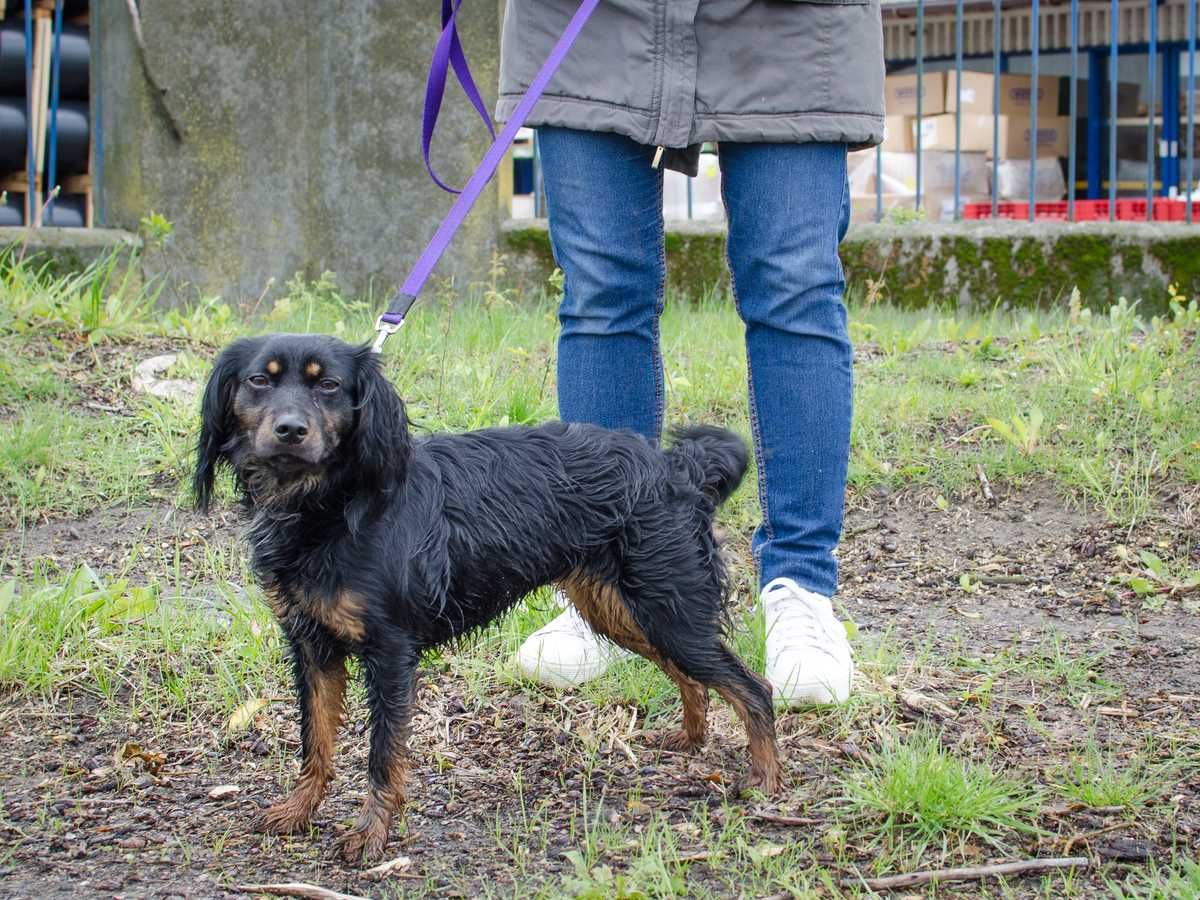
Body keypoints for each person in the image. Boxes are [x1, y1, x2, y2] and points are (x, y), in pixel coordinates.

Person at [496, 0, 884, 705]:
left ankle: (801, 588)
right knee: (603, 293)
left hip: (792, 28)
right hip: (594, 25)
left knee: (795, 289)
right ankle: (602, 584)